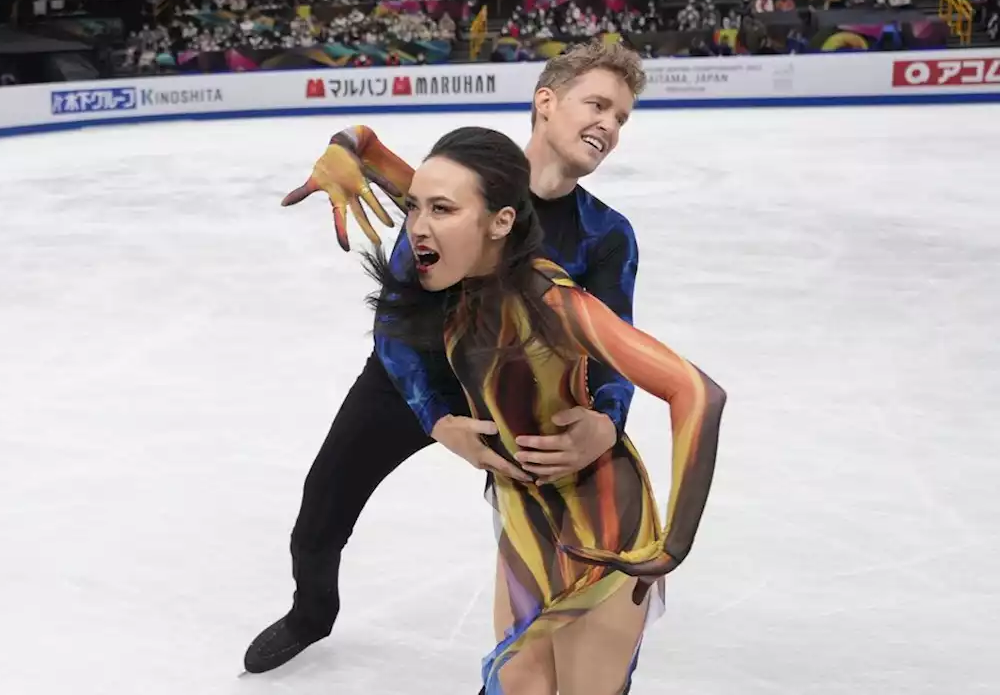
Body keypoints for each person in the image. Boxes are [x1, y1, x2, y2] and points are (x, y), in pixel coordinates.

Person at [245, 40, 647, 675]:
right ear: (546, 102)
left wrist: (608, 419)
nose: (609, 125)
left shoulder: (606, 233)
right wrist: (436, 418)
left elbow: (615, 347)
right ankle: (311, 612)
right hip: (412, 376)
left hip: (516, 397)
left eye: (621, 117)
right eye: (597, 104)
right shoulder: (459, 183)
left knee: (542, 565)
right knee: (320, 510)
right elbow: (397, 317)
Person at [362, 125, 725, 694]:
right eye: (414, 209)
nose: (417, 228)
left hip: (598, 520)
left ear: (500, 222)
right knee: (519, 683)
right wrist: (350, 144)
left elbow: (697, 391)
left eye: (440, 210)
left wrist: (673, 544)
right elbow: (390, 167)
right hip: (525, 509)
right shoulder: (464, 268)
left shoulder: (552, 300)